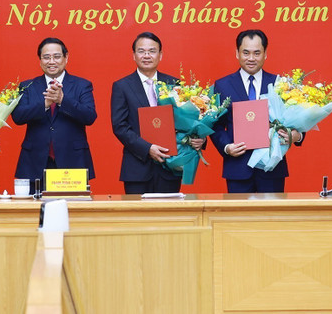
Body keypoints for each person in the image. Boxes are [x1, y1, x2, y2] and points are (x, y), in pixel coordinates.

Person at [110, 32, 205, 194]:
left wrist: (199, 138)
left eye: (152, 51)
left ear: (160, 55)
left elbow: (188, 121)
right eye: (141, 51)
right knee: (138, 218)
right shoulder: (122, 86)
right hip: (137, 168)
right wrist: (148, 148)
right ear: (133, 55)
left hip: (170, 166)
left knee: (169, 218)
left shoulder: (174, 84)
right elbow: (120, 127)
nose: (146, 55)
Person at [210, 29, 303, 193]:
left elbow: (297, 118)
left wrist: (296, 135)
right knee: (238, 219)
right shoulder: (222, 85)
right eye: (245, 53)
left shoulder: (279, 83)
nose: (251, 58)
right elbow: (215, 125)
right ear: (237, 53)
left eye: (256, 53)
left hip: (272, 169)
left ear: (265, 54)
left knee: (271, 218)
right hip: (238, 168)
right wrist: (226, 147)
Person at [12, 37, 97, 183]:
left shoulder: (82, 85)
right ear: (40, 60)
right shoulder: (27, 86)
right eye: (46, 57)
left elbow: (90, 116)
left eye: (57, 56)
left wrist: (62, 101)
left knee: (73, 206)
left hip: (72, 161)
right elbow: (18, 116)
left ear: (66, 57)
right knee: (34, 206)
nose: (51, 61)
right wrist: (45, 104)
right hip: (35, 162)